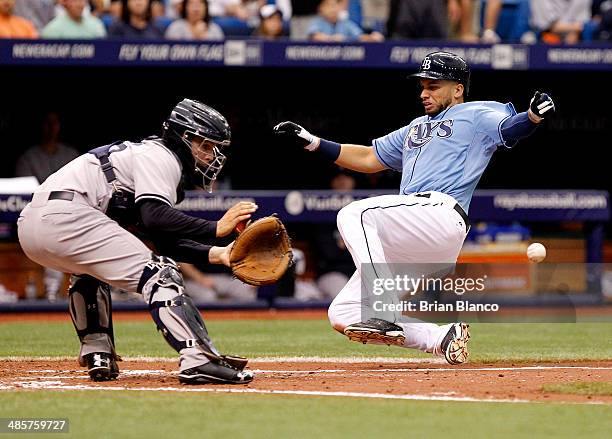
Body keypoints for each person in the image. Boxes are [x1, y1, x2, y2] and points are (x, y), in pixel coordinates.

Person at [274, 51, 555, 365]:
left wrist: (531, 117)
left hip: (440, 213)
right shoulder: (415, 127)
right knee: (343, 313)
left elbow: (509, 128)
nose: (424, 92)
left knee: (354, 213)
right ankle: (439, 337)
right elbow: (368, 158)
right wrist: (312, 141)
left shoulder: (477, 114)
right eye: (422, 85)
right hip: (411, 236)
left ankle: (384, 309)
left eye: (433, 85)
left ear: (458, 88)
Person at [18, 98, 257, 385]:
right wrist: (217, 228)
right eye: (205, 146)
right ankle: (198, 359)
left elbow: (158, 238)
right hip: (69, 216)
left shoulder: (147, 158)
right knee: (160, 273)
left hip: (34, 223)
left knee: (90, 270)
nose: (211, 156)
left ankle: (98, 353)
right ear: (184, 138)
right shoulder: (162, 156)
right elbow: (157, 218)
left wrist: (216, 255)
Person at [307, 0, 384, 42]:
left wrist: (372, 37)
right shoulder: (317, 22)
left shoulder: (345, 23)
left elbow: (360, 36)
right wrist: (331, 39)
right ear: (321, 8)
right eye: (328, 5)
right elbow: (315, 36)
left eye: (334, 5)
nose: (332, 9)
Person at [42, 0, 107, 39]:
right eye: (75, 0)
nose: (80, 4)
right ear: (65, 2)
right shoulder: (52, 29)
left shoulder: (97, 25)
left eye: (82, 0)